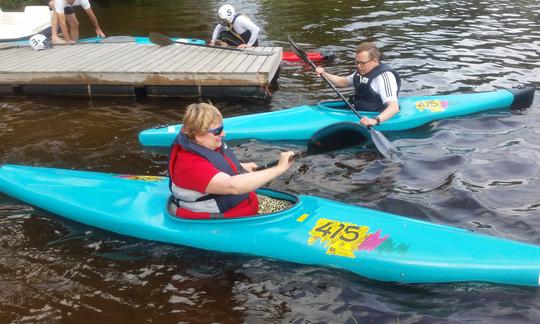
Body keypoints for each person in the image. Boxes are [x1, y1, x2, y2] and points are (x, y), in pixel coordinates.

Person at [168, 103, 294, 219]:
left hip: (245, 204)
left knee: (293, 207)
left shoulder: (206, 144)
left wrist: (240, 167)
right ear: (198, 136)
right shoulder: (190, 165)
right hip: (230, 217)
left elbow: (215, 166)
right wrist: (279, 169)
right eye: (217, 131)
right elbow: (232, 186)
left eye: (222, 128)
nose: (224, 133)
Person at [315, 42, 401, 127]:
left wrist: (375, 120)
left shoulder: (384, 77)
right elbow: (343, 82)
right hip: (358, 111)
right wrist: (324, 74)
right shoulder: (361, 72)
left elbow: (394, 107)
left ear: (374, 60)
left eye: (362, 63)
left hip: (375, 115)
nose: (359, 66)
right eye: (357, 62)